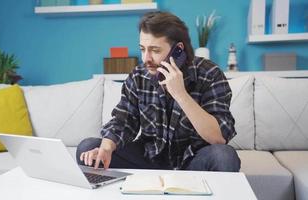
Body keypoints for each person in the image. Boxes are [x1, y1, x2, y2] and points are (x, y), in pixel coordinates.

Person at [76, 11, 241, 172]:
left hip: (192, 161)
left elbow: (218, 137)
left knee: (224, 156)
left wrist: (180, 94)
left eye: (155, 50)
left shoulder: (210, 73)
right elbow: (123, 121)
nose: (146, 58)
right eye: (142, 49)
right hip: (149, 159)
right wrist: (105, 149)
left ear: (178, 50)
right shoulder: (138, 76)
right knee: (88, 148)